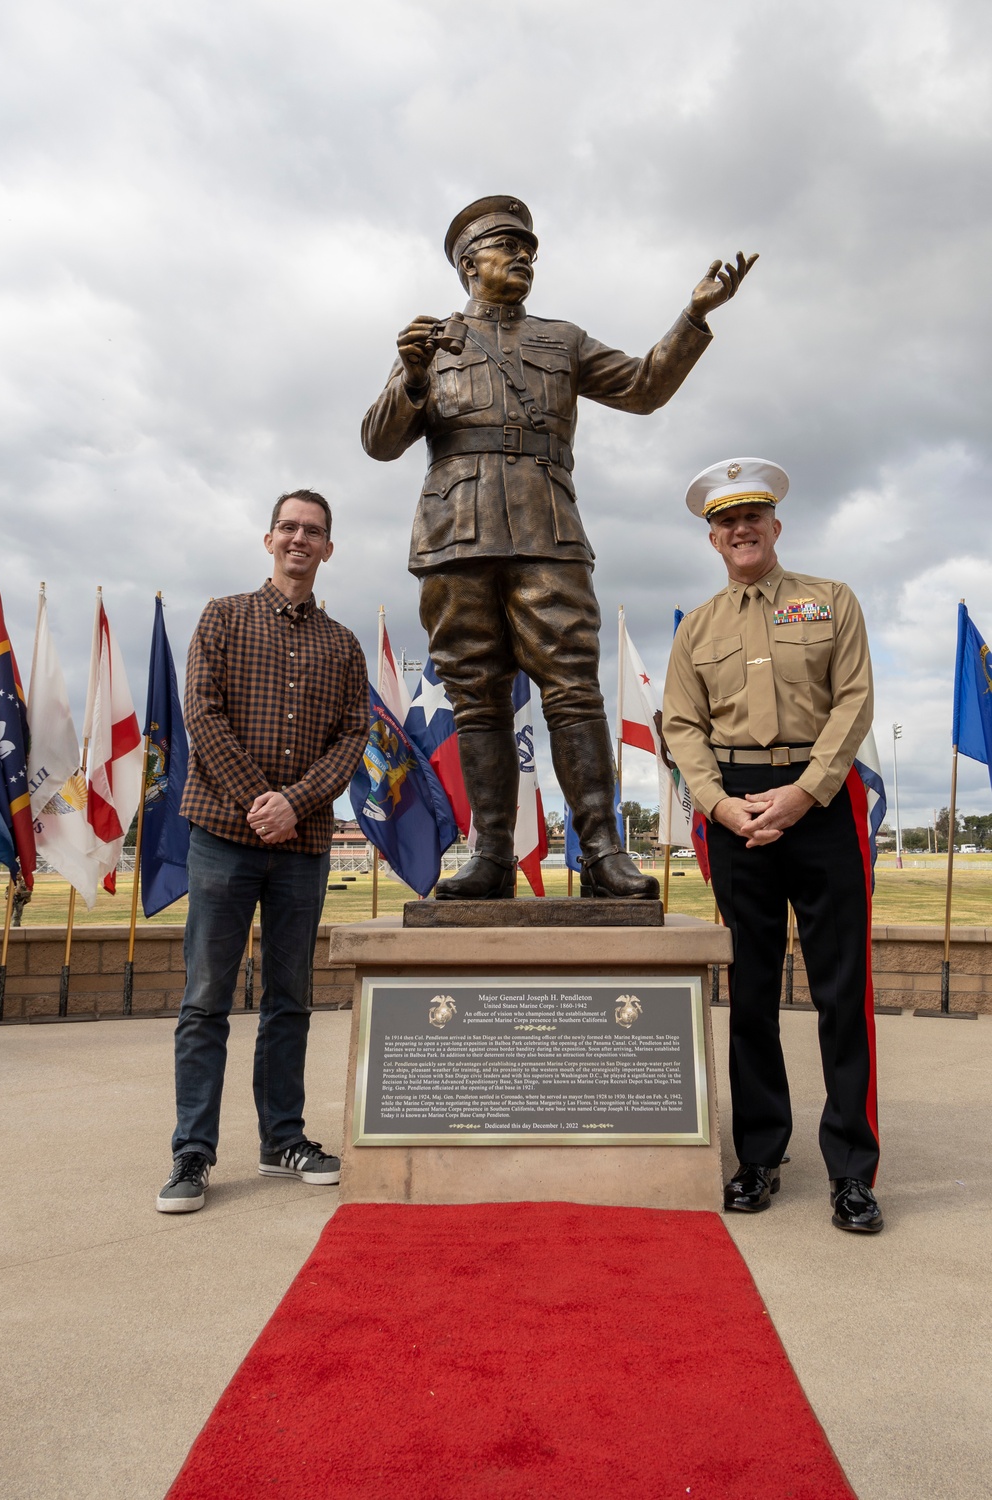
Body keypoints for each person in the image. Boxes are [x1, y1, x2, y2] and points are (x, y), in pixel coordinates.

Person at [362, 195, 757, 900]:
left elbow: (643, 388)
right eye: (507, 246)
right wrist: (414, 376)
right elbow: (380, 442)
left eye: (530, 249)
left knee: (573, 691)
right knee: (476, 699)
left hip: (549, 531)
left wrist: (693, 318)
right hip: (457, 539)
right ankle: (489, 854)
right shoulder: (429, 342)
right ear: (468, 263)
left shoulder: (562, 340)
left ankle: (601, 849)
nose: (523, 257)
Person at [662, 458, 883, 1233]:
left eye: (753, 515)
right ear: (713, 539)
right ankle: (758, 1158)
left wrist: (803, 793)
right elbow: (682, 727)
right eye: (725, 521)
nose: (741, 529)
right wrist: (720, 806)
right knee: (750, 994)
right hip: (735, 814)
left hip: (818, 804)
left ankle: (853, 1172)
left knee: (840, 995)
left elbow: (854, 700)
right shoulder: (698, 627)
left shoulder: (831, 600)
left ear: (776, 526)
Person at [156, 489, 369, 1213]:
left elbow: (352, 737)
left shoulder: (343, 644)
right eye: (289, 527)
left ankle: (283, 1140)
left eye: (314, 531)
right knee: (206, 1000)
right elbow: (202, 714)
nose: (299, 539)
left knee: (290, 1001)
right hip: (222, 837)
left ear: (328, 549)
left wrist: (296, 804)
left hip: (302, 845)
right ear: (269, 539)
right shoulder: (221, 616)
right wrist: (260, 802)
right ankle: (193, 1151)